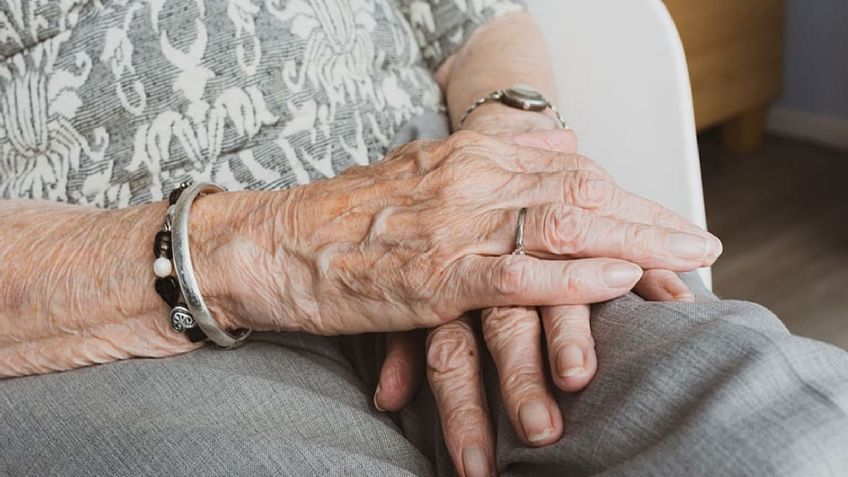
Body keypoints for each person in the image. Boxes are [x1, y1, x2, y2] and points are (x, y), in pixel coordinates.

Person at [0, 1, 845, 476]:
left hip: (445, 226)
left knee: (782, 426)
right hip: (125, 313)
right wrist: (268, 247)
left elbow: (480, 23)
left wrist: (506, 136)